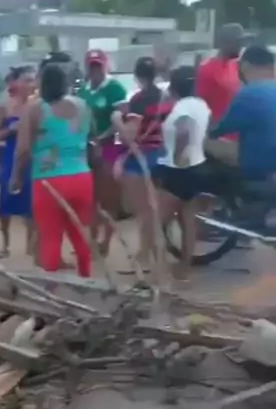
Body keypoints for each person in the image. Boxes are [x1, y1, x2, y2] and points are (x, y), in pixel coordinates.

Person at [11, 62, 93, 277]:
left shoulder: (34, 109)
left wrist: (16, 177)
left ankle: (51, 287)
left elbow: (23, 149)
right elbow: (89, 136)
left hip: (48, 179)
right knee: (80, 233)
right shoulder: (83, 105)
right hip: (81, 176)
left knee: (50, 236)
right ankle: (87, 278)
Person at [114, 56, 172, 271]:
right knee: (154, 210)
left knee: (143, 212)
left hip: (141, 158)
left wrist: (117, 120)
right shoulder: (166, 97)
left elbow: (130, 135)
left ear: (137, 76)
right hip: (162, 155)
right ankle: (150, 255)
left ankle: (145, 257)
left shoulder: (138, 100)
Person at [153, 66, 211, 281]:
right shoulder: (201, 104)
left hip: (177, 170)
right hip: (197, 165)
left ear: (173, 87)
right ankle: (183, 269)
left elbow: (184, 131)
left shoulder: (182, 108)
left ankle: (157, 270)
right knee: (188, 221)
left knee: (157, 223)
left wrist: (177, 158)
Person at [78, 49, 127, 255]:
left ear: (105, 65)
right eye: (92, 66)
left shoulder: (115, 89)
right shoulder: (83, 91)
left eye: (98, 66)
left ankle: (105, 241)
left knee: (108, 197)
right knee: (91, 197)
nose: (95, 70)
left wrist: (101, 137)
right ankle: (91, 239)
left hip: (109, 146)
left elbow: (120, 120)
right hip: (87, 148)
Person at [206, 44, 276, 181]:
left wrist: (206, 128)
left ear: (245, 65)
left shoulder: (248, 93)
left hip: (260, 174)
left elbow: (220, 129)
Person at [0, 66, 35, 258]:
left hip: (32, 157)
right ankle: (5, 243)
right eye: (26, 80)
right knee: (6, 203)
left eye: (33, 80)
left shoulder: (37, 106)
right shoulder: (4, 107)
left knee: (31, 203)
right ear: (16, 83)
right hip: (10, 156)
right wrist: (11, 129)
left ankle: (30, 245)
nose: (31, 84)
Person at [195, 23, 242, 128]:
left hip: (238, 132)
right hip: (219, 133)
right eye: (237, 42)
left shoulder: (237, 66)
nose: (240, 46)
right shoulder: (207, 69)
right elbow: (199, 104)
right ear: (225, 43)